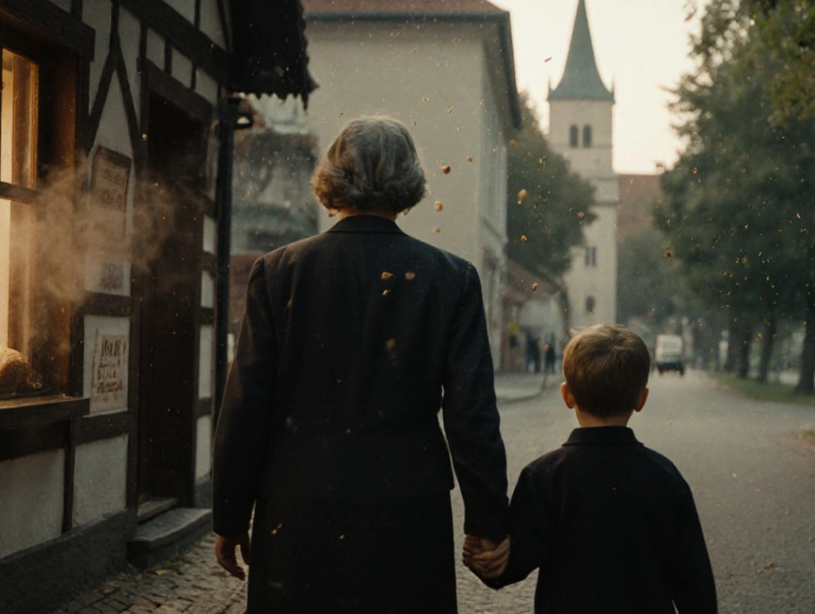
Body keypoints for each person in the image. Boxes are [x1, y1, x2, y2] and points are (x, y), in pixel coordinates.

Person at [213, 116, 511, 613]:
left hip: (299, 506)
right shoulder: (451, 279)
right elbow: (471, 414)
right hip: (407, 510)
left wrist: (229, 514)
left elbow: (245, 405)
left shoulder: (279, 273)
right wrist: (488, 521)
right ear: (408, 182)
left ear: (332, 178)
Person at [466, 324, 717, 614]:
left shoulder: (544, 476)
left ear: (567, 395)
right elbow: (694, 582)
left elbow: (511, 564)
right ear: (641, 399)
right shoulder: (664, 477)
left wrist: (484, 550)